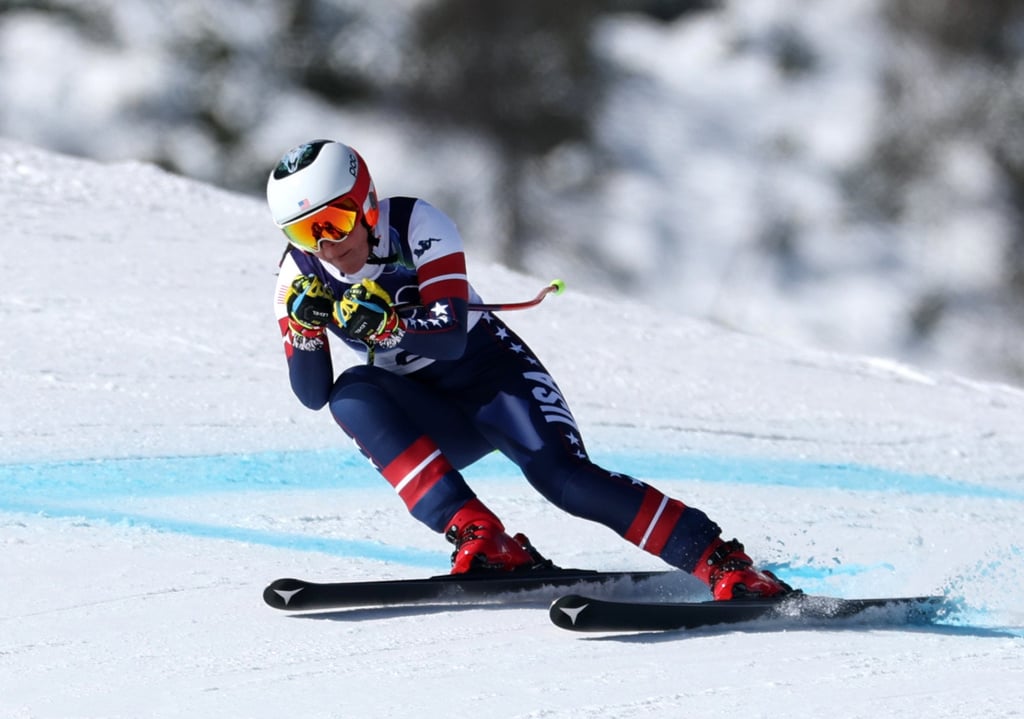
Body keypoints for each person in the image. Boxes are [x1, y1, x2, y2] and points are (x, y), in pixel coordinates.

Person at [267, 139, 794, 600]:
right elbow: (313, 394)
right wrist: (303, 330)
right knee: (351, 395)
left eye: (334, 222)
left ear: (368, 205)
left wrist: (390, 330)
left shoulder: (417, 224)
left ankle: (723, 561)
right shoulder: (298, 273)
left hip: (493, 380)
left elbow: (450, 336)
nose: (328, 246)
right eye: (306, 233)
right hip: (429, 411)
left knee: (565, 481)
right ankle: (481, 537)